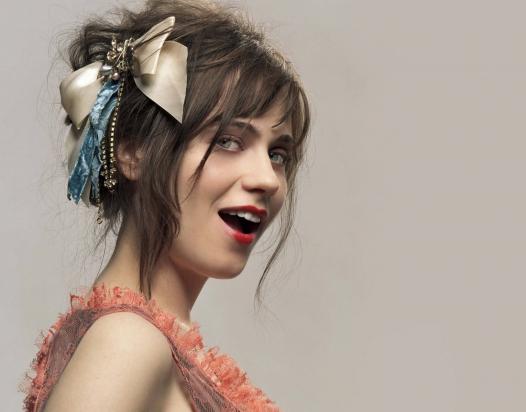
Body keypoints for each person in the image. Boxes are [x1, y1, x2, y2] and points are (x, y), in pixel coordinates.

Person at [19, 0, 311, 410]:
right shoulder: (126, 343)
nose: (267, 179)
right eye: (228, 141)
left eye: (277, 154)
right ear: (132, 150)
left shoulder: (141, 340)